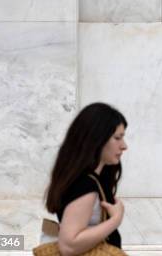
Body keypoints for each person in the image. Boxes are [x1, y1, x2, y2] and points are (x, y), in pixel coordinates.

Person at [45, 102, 128, 256]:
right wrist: (115, 220)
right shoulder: (85, 186)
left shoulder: (83, 179)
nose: (124, 146)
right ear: (98, 139)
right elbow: (69, 246)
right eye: (117, 138)